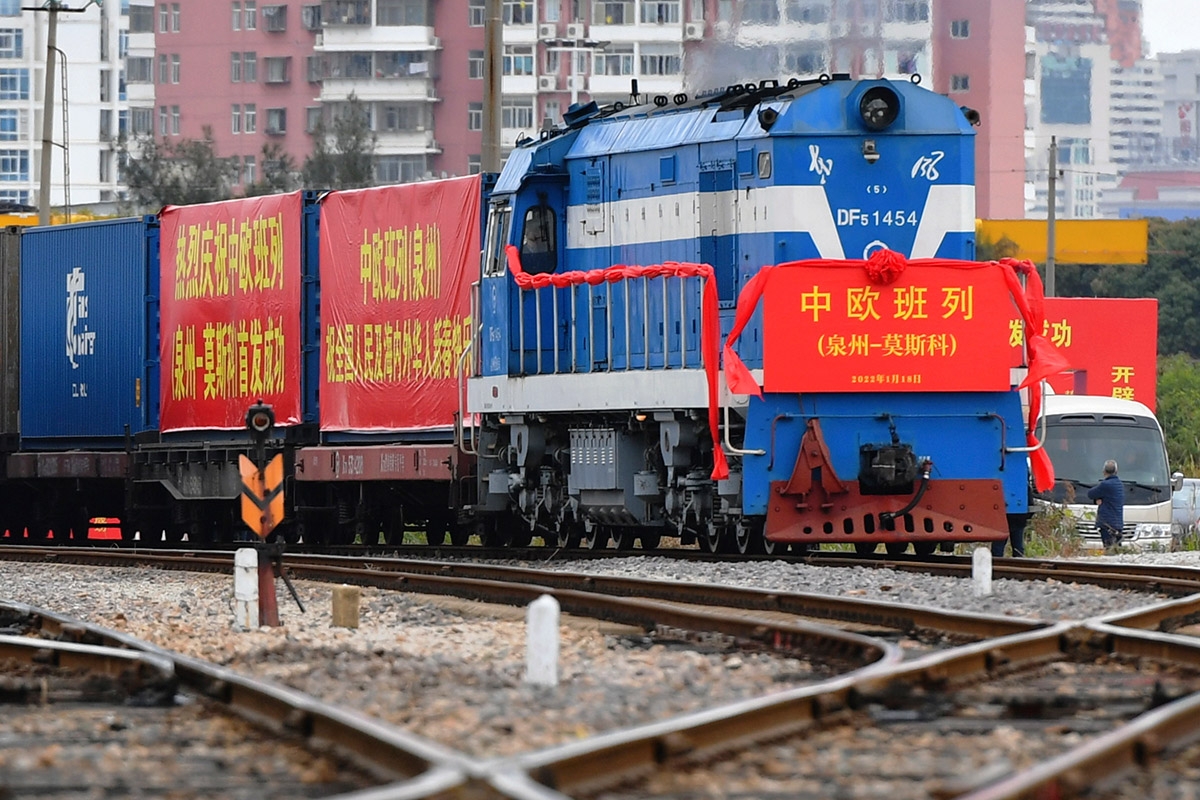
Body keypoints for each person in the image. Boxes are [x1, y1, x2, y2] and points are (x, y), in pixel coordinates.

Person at [1086, 459, 1125, 551]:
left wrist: (1098, 499)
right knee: (1116, 550)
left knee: (1109, 549)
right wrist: (1099, 499)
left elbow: (1090, 494)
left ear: (1104, 471)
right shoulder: (1120, 484)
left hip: (1107, 524)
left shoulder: (1105, 485)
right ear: (1116, 471)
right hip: (1118, 524)